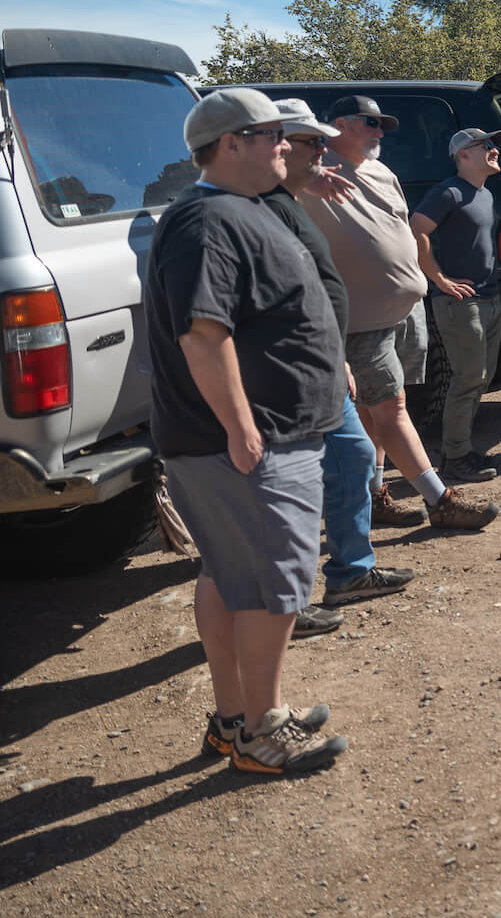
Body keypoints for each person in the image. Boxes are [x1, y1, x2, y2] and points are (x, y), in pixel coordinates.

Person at [144, 87, 348, 774]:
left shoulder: (239, 209)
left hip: (251, 437)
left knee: (232, 575)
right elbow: (204, 337)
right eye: (273, 134)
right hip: (249, 442)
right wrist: (241, 428)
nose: (286, 144)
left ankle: (236, 716)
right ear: (232, 142)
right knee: (272, 582)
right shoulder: (208, 222)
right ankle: (263, 731)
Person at [306, 95, 498, 531]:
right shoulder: (309, 170)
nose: (380, 132)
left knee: (382, 411)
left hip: (404, 308)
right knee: (390, 409)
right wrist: (308, 170)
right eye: (371, 123)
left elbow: (403, 229)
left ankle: (375, 496)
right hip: (358, 317)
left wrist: (426, 279)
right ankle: (440, 499)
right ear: (338, 124)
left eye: (382, 125)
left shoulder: (382, 171)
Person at [269, 99, 413, 628]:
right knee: (294, 482)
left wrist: (333, 353)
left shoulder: (291, 195)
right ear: (272, 143)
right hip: (283, 368)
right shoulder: (246, 207)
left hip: (325, 359)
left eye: (316, 140)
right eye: (310, 142)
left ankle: (350, 571)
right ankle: (282, 601)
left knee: (353, 456)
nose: (319, 150)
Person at [411, 127, 501, 478]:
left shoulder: (484, 194)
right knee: (468, 378)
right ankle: (455, 459)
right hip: (459, 304)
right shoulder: (448, 192)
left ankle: (462, 450)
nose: (494, 150)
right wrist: (438, 278)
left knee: (482, 377)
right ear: (463, 154)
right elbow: (416, 228)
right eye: (486, 145)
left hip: (489, 298)